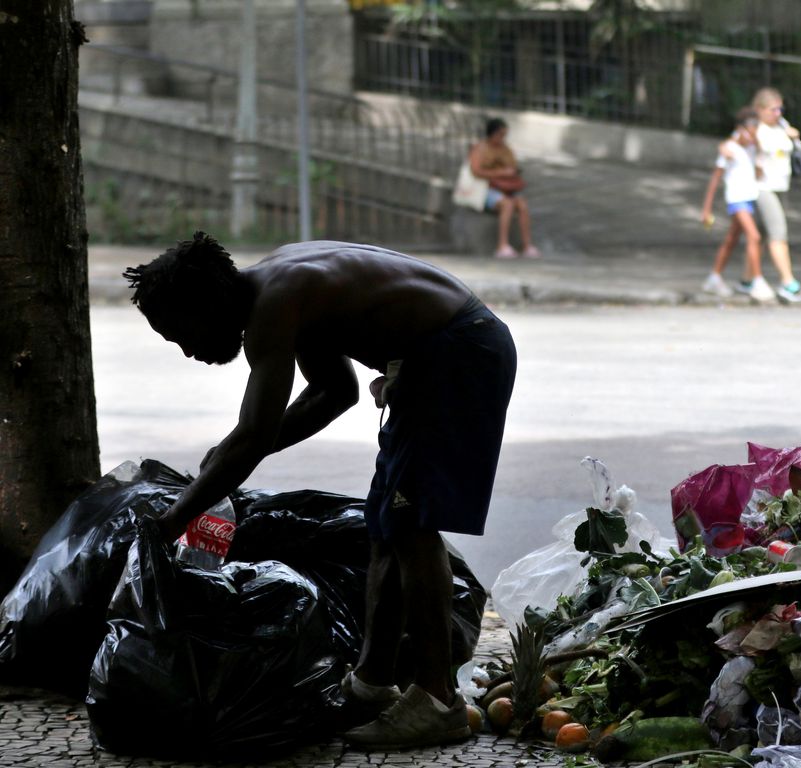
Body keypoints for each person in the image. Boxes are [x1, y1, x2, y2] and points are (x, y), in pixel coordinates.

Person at [123, 233, 517, 751]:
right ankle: (372, 684)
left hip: (459, 353)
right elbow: (335, 393)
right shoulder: (283, 287)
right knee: (387, 526)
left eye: (181, 332)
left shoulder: (275, 302)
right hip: (440, 355)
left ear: (207, 303)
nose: (188, 350)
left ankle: (438, 700)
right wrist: (227, 458)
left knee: (413, 525)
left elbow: (256, 432)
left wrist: (174, 519)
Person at [698, 107, 775, 303]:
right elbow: (715, 179)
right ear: (740, 128)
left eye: (757, 127)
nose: (754, 131)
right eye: (751, 127)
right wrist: (706, 209)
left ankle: (714, 277)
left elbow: (759, 168)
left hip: (748, 197)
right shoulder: (730, 149)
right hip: (736, 199)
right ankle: (757, 281)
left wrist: (756, 147)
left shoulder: (751, 148)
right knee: (754, 236)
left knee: (731, 239)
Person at [745, 86, 801, 303]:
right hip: (763, 187)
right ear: (759, 109)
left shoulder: (781, 125)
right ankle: (788, 283)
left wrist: (793, 136)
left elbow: (799, 150)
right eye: (773, 110)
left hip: (780, 186)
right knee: (778, 233)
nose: (778, 114)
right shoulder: (755, 129)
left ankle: (747, 278)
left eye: (780, 109)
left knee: (759, 236)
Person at [468, 117, 541, 260]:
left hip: (506, 188)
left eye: (504, 135)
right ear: (492, 133)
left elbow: (513, 166)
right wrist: (500, 173)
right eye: (500, 134)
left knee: (522, 204)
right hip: (485, 189)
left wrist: (510, 173)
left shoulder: (505, 149)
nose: (503, 138)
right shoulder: (481, 148)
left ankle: (527, 246)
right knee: (507, 205)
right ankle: (502, 245)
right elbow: (476, 171)